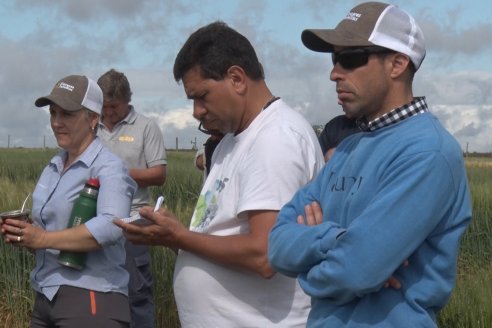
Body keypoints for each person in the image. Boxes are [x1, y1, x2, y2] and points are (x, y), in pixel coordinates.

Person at [268, 2, 472, 327]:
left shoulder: (429, 152)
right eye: (334, 60)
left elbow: (355, 272)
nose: (334, 73)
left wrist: (309, 264)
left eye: (350, 58)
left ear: (397, 64)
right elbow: (277, 245)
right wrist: (334, 239)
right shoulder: (348, 148)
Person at [114, 21, 325, 327]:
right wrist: (172, 235)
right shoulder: (231, 141)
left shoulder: (276, 138)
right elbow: (220, 239)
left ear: (237, 78)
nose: (196, 112)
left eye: (201, 96)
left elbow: (265, 255)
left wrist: (181, 236)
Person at [1, 74, 136, 327]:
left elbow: (111, 226)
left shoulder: (109, 168)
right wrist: (27, 234)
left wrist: (42, 239)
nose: (57, 122)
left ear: (93, 119)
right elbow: (50, 235)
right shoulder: (53, 166)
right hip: (45, 294)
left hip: (91, 297)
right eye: (53, 113)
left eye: (68, 114)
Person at [97, 68, 167, 328]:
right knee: (101, 290)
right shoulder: (92, 126)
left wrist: (119, 175)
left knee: (136, 292)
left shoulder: (146, 127)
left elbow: (159, 174)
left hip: (135, 220)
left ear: (128, 100)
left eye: (113, 106)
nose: (108, 112)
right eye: (104, 106)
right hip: (97, 219)